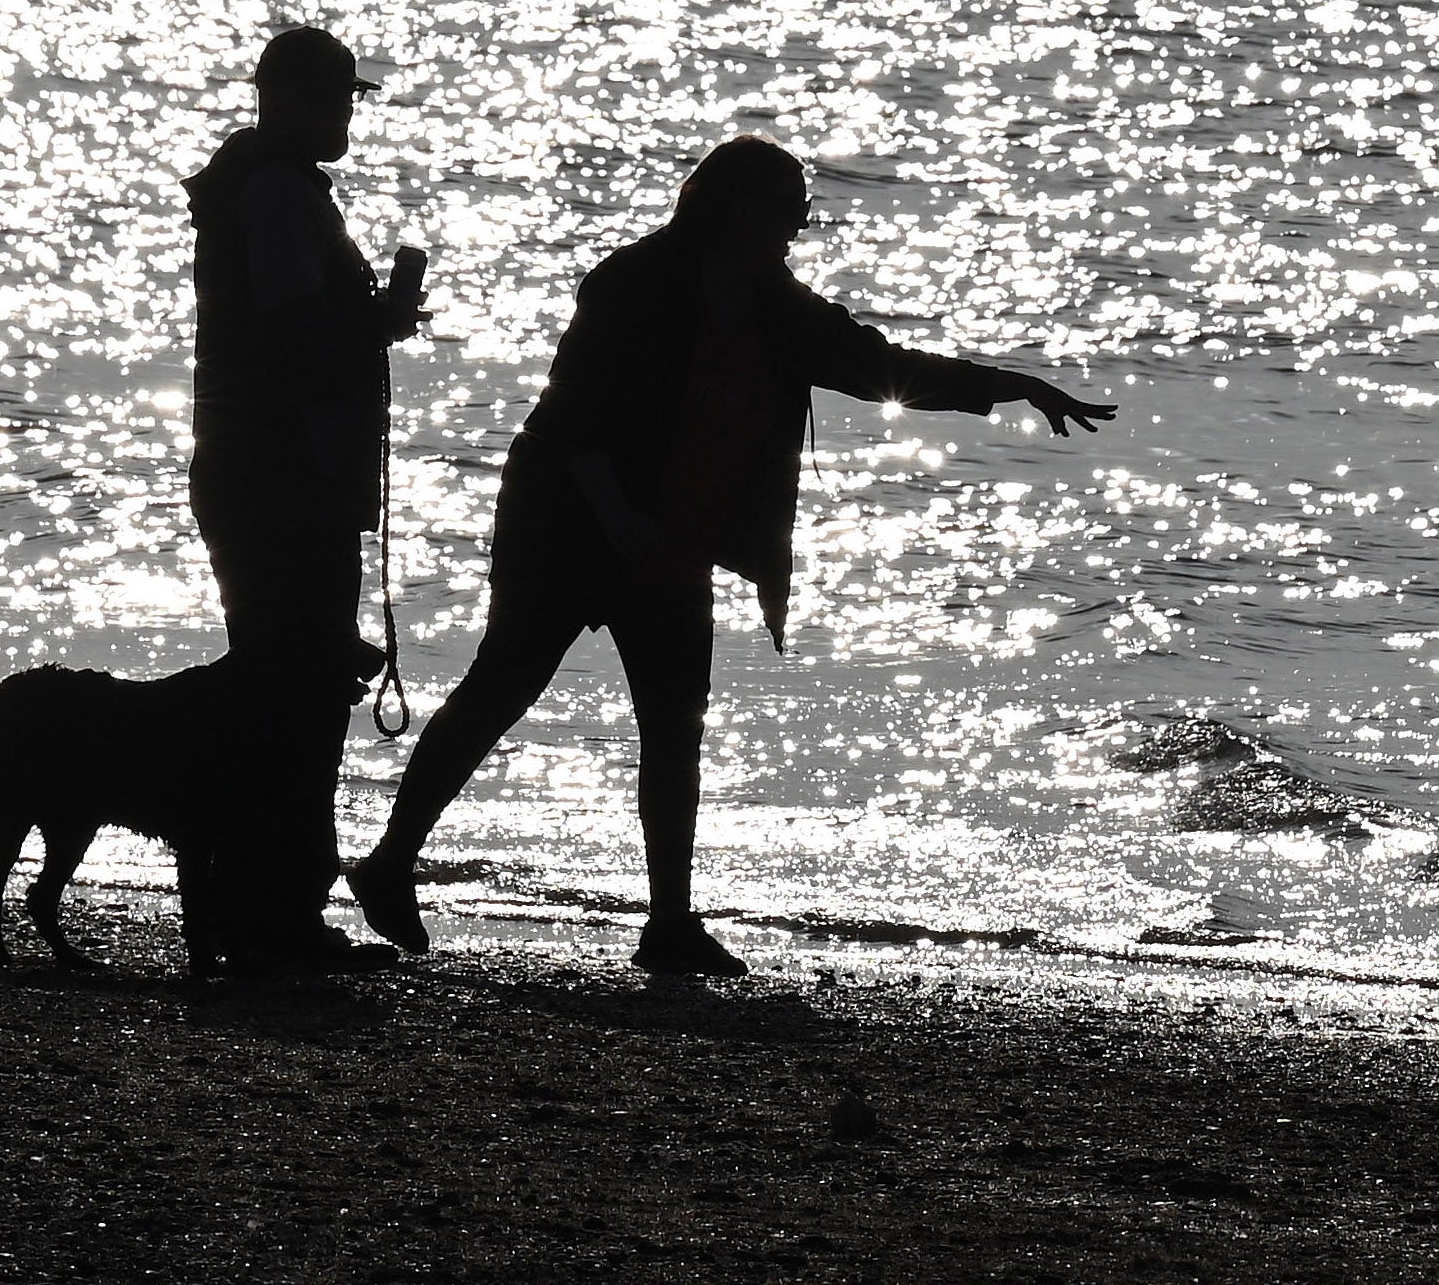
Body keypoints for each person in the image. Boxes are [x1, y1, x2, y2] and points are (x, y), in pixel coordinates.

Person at [343, 135, 1111, 978]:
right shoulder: (632, 281)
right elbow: (574, 416)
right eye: (782, 209)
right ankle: (389, 863)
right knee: (500, 689)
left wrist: (1014, 385)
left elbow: (884, 367)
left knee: (675, 727)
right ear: (726, 205)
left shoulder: (780, 308)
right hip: (565, 519)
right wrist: (614, 514)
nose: (793, 228)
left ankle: (668, 922)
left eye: (801, 213)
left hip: (676, 536)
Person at [179, 23, 425, 970]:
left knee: (283, 684)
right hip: (281, 474)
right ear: (285, 99)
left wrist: (364, 324)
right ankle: (276, 918)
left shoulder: (257, 184)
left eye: (347, 99)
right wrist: (376, 323)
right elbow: (292, 335)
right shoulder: (280, 194)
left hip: (255, 467)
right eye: (333, 99)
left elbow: (284, 329)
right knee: (297, 693)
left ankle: (266, 909)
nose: (344, 115)